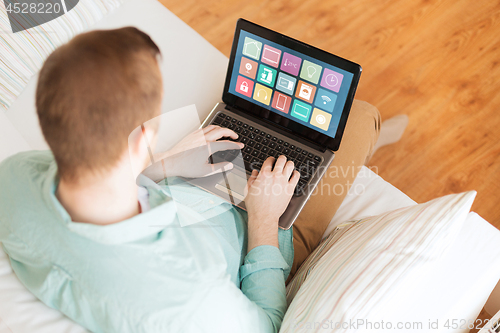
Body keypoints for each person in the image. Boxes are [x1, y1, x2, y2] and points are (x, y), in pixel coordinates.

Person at [0, 27, 392, 332]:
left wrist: (164, 166)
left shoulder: (13, 178)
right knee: (359, 117)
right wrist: (263, 220)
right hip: (263, 230)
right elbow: (269, 324)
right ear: (142, 137)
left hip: (185, 184)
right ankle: (381, 132)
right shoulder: (192, 300)